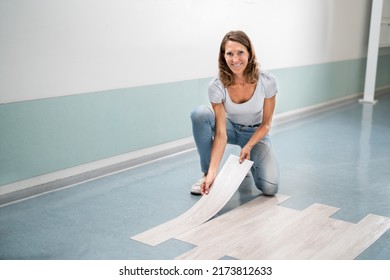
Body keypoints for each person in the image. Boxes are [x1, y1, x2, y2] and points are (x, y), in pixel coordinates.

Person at [190, 30, 280, 196]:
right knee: (200, 114)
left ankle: (248, 160)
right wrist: (213, 173)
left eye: (240, 53)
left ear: (249, 53)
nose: (235, 59)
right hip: (230, 128)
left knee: (270, 188)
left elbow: (266, 124)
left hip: (255, 131)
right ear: (223, 56)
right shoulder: (216, 86)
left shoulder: (267, 81)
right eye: (229, 54)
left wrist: (249, 146)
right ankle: (206, 174)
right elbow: (221, 133)